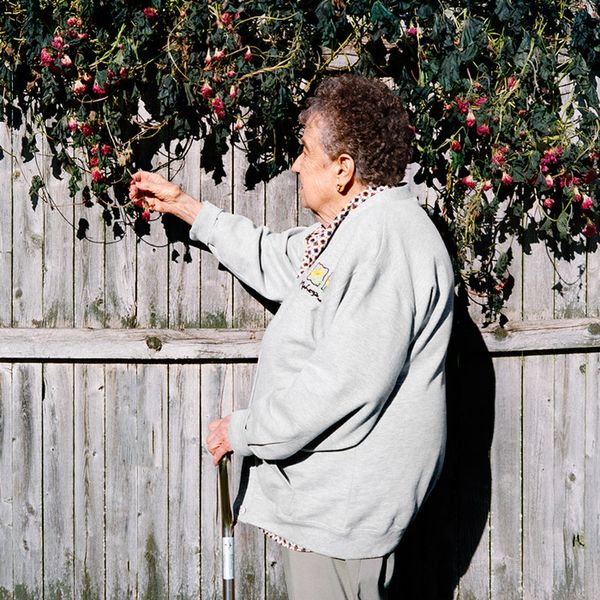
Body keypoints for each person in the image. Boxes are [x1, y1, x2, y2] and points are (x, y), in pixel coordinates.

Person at [129, 74, 454, 600]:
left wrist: (245, 431)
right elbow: (276, 258)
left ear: (343, 168)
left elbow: (341, 385)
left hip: (343, 515)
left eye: (305, 151)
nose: (296, 165)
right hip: (334, 509)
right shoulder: (355, 228)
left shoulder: (384, 239)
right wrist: (186, 206)